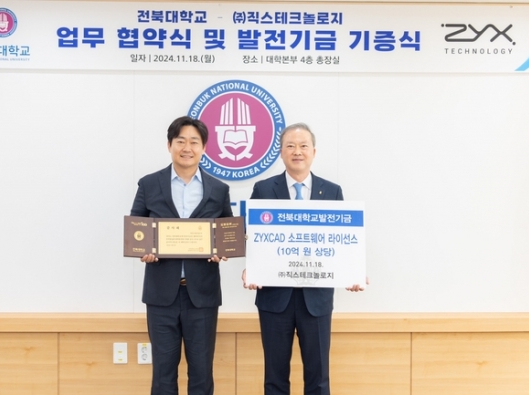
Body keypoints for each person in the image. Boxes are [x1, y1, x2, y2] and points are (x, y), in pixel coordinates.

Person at [242, 122, 368, 395]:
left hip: (317, 300)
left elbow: (342, 241)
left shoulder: (332, 191)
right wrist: (250, 269)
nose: (297, 151)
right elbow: (251, 237)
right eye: (290, 146)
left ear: (313, 151)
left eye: (303, 146)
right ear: (281, 152)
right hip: (275, 299)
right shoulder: (263, 189)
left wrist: (354, 271)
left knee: (319, 378)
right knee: (274, 378)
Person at [130, 116, 233, 395]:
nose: (187, 147)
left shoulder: (219, 189)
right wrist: (145, 251)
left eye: (194, 142)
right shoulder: (149, 184)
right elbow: (136, 228)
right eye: (180, 141)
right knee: (163, 373)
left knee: (201, 372)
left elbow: (227, 233)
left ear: (204, 148)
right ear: (169, 145)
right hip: (161, 293)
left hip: (202, 294)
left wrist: (220, 251)